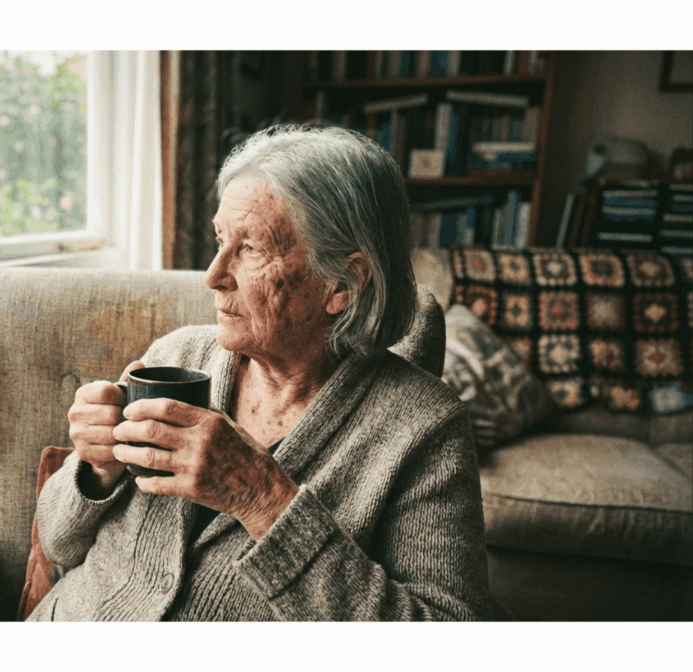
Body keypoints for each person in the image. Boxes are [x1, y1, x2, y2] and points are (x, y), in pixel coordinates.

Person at [27, 125, 500, 621]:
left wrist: (264, 500)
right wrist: (97, 468)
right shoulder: (177, 355)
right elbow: (60, 541)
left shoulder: (425, 429)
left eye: (249, 248)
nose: (212, 275)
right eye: (219, 240)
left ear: (340, 284)